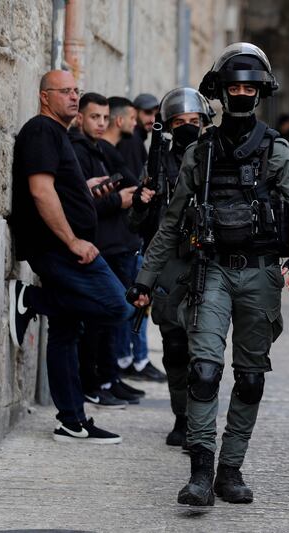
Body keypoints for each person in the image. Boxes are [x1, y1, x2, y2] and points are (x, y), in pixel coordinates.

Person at [129, 43, 289, 506]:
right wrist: (145, 279)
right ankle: (201, 470)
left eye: (248, 88)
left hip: (259, 275)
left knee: (251, 378)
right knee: (203, 371)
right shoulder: (202, 153)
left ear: (260, 93)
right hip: (210, 272)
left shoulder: (275, 151)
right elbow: (171, 222)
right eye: (233, 87)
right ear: (221, 91)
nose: (240, 94)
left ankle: (230, 469)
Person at [8, 69, 129, 443]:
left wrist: (84, 188)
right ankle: (31, 299)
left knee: (65, 333)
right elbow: (41, 192)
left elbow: (56, 187)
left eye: (77, 90)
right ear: (45, 97)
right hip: (59, 248)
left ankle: (71, 420)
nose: (75, 97)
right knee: (117, 306)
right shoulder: (42, 130)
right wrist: (73, 240)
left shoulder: (58, 135)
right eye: (66, 91)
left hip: (61, 245)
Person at [128, 87, 214, 447]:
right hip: (168, 264)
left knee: (204, 353)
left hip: (206, 263)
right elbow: (138, 225)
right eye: (180, 122)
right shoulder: (159, 163)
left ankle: (200, 422)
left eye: (194, 122)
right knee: (176, 349)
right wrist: (142, 202)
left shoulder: (214, 158)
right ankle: (182, 415)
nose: (188, 128)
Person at [70, 93, 145, 407]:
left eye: (104, 117)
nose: (101, 123)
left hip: (116, 245)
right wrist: (117, 199)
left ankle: (110, 377)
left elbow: (130, 183)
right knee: (96, 322)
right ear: (81, 118)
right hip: (97, 247)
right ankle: (94, 382)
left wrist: (124, 193)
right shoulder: (77, 150)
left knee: (114, 319)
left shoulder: (101, 149)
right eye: (94, 117)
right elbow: (80, 204)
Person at [100, 97, 167, 383]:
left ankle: (129, 362)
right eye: (146, 113)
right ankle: (131, 362)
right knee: (131, 302)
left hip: (129, 239)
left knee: (134, 303)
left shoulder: (132, 142)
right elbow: (133, 187)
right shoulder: (129, 144)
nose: (150, 118)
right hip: (123, 240)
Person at [117, 93, 159, 179]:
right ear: (134, 112)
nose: (153, 120)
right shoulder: (131, 139)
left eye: (156, 115)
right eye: (148, 112)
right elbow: (134, 180)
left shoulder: (136, 138)